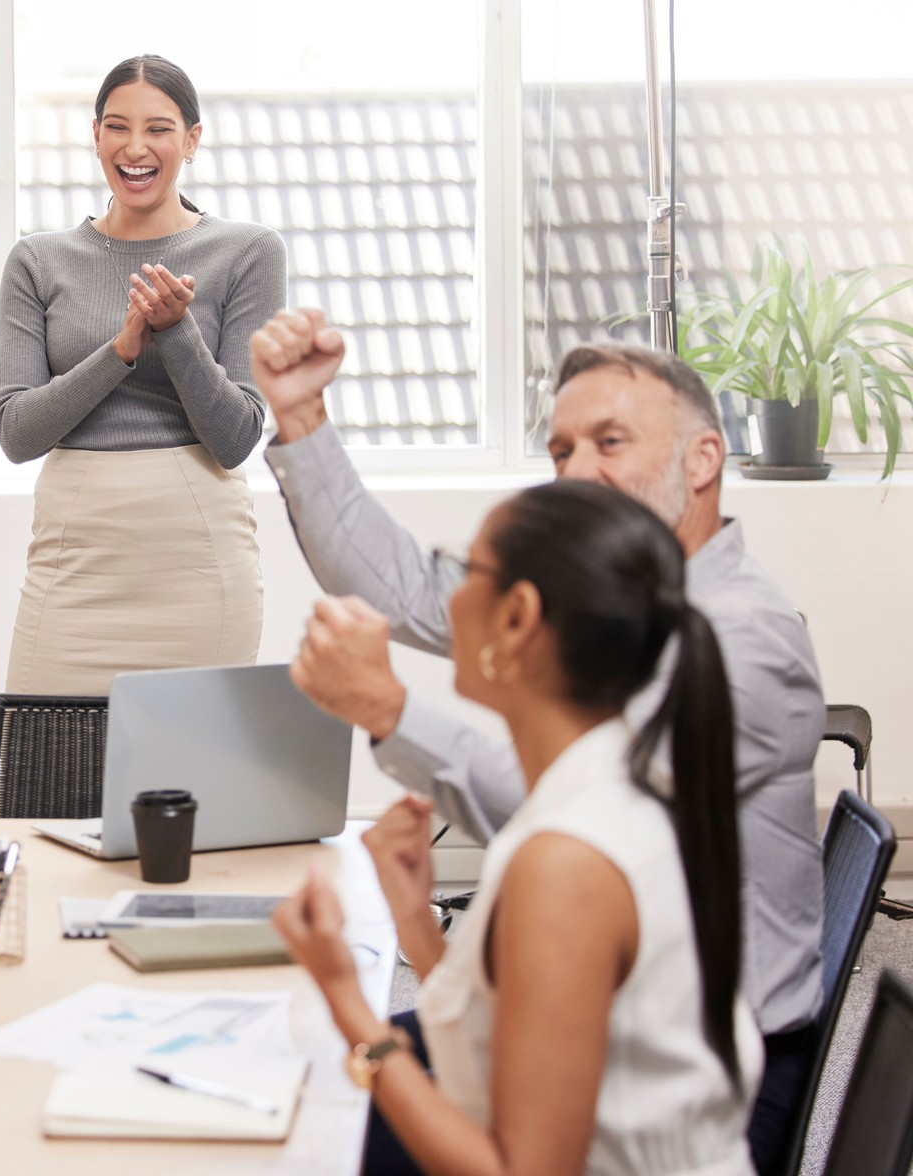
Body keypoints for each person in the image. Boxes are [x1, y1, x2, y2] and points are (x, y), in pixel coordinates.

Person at [251, 309, 823, 1172]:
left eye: (609, 442)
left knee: (326, 1107)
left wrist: (390, 709)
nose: (576, 475)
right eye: (560, 452)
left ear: (703, 460)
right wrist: (300, 415)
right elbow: (409, 589)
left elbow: (571, 833)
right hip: (623, 1023)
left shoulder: (739, 645)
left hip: (696, 1072)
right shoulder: (605, 617)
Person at [278, 479, 762, 1174]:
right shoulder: (609, 784)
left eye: (465, 570)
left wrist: (348, 1003)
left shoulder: (567, 860)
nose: (449, 598)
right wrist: (416, 922)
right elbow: (511, 1048)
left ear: (517, 619)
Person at [0, 54, 286, 694]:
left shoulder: (248, 252)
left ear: (192, 139)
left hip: (197, 560)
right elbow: (16, 434)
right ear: (95, 135)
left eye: (158, 128)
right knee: (46, 779)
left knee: (193, 778)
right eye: (118, 127)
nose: (135, 148)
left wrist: (175, 331)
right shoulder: (38, 261)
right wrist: (121, 349)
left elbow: (237, 439)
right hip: (75, 556)